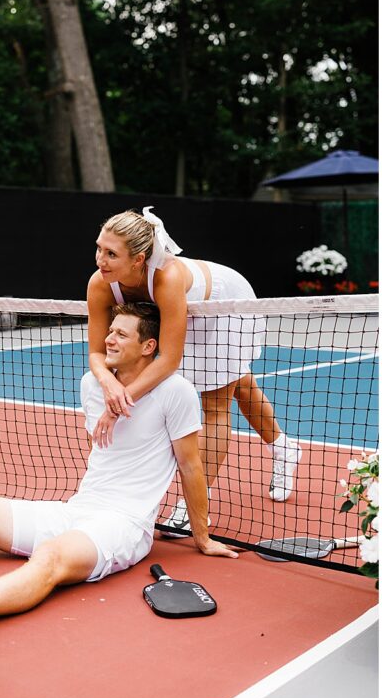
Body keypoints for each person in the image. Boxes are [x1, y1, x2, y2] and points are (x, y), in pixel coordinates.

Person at [0, 302, 237, 645]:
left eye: (121, 334)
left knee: (51, 556)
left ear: (148, 346)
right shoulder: (92, 384)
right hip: (78, 508)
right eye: (110, 331)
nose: (109, 339)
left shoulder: (175, 391)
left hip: (125, 524)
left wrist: (202, 536)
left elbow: (190, 465)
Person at [87, 207, 302, 536]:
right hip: (181, 309)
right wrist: (108, 384)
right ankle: (284, 448)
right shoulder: (100, 284)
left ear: (138, 259)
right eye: (100, 248)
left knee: (216, 402)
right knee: (239, 384)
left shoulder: (167, 277)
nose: (100, 259)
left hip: (225, 305)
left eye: (111, 253)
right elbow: (97, 353)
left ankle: (193, 504)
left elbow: (169, 360)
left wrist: (120, 403)